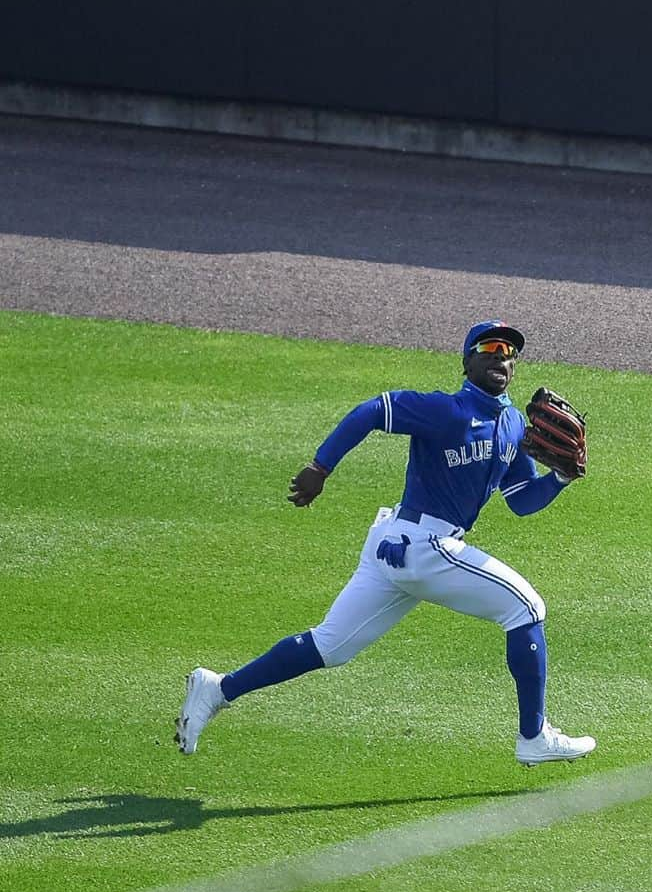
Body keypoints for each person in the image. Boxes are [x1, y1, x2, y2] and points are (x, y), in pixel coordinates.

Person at [175, 320, 596, 767]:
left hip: (399, 550)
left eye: (509, 351)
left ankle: (218, 689)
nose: (500, 357)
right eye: (489, 348)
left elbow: (522, 502)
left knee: (330, 647)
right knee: (526, 608)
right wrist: (321, 467)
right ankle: (534, 736)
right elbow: (373, 411)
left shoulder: (513, 425)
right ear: (467, 360)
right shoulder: (444, 410)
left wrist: (561, 478)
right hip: (422, 545)